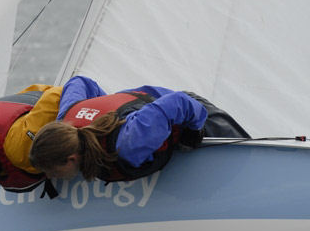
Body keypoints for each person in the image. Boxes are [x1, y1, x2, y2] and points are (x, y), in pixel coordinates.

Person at [28, 75, 248, 183]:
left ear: (71, 158)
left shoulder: (129, 144)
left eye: (51, 171)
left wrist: (193, 134)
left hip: (192, 110)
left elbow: (179, 103)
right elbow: (79, 82)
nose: (49, 177)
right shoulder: (67, 116)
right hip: (156, 114)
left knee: (246, 166)